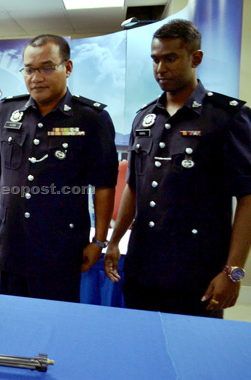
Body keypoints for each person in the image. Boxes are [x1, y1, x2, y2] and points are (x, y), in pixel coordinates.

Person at [105, 19, 251, 317]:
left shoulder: (227, 117)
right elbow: (134, 186)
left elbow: (248, 198)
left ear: (195, 58)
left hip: (197, 270)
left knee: (193, 357)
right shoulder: (144, 118)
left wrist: (234, 273)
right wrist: (114, 241)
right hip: (143, 266)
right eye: (155, 60)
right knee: (140, 346)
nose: (161, 68)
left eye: (170, 58)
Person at [0, 34, 118, 302]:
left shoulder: (92, 118)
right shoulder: (8, 111)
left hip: (61, 247)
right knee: (9, 322)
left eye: (47, 67)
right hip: (10, 242)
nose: (36, 77)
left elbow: (104, 185)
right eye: (29, 69)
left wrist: (99, 240)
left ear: (67, 68)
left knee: (55, 328)